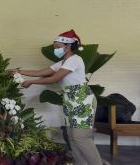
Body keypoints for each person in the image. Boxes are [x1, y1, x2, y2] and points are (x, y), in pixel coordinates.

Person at [8, 30, 103, 165]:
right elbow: (41, 72)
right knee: (72, 137)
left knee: (81, 137)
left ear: (68, 46)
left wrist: (32, 82)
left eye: (58, 47)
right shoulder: (62, 63)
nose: (55, 50)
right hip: (71, 99)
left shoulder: (75, 60)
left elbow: (55, 78)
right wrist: (18, 71)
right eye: (55, 47)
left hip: (82, 98)